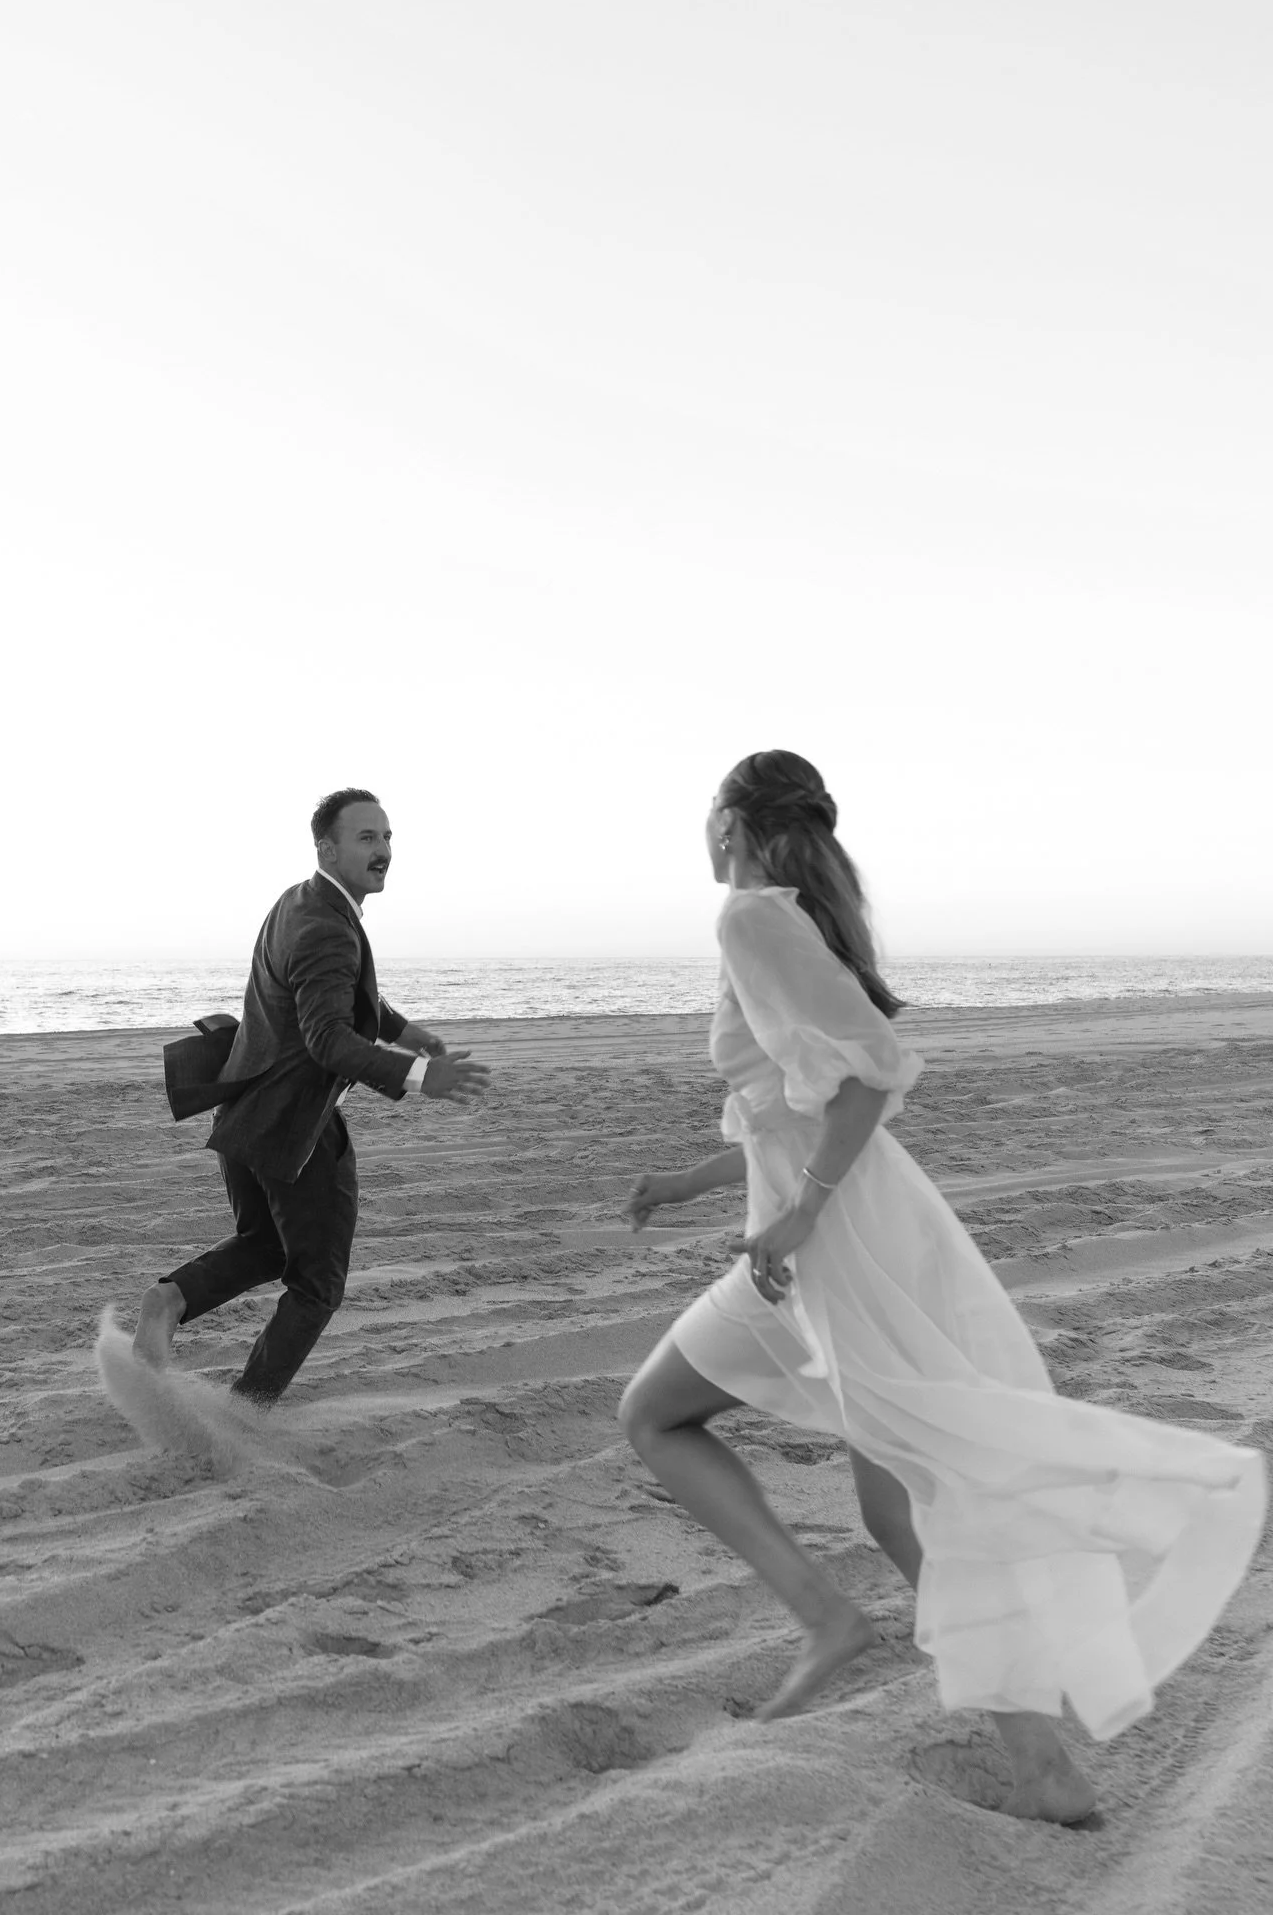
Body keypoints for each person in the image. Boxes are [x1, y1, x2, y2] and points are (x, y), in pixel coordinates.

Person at [618, 749, 1264, 1824]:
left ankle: (829, 1622)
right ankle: (1040, 1766)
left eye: (705, 814)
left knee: (653, 1414)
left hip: (830, 1249)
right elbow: (800, 1103)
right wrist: (694, 1181)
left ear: (730, 821)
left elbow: (872, 1074)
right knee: (901, 1503)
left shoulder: (748, 918)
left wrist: (802, 1212)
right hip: (841, 1233)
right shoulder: (787, 918)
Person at [132, 787, 490, 1403]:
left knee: (264, 1246)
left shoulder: (299, 902)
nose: (383, 851)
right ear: (327, 846)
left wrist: (409, 1032)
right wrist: (418, 1074)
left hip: (244, 1114)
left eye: (387, 837)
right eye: (367, 838)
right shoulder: (330, 926)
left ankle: (170, 1300)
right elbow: (328, 1039)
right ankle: (248, 1409)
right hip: (293, 1129)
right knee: (318, 1284)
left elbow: (347, 998)